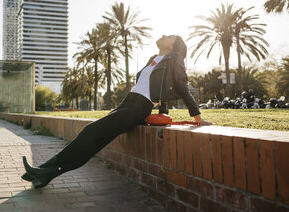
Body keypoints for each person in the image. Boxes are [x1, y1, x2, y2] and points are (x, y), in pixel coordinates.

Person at [22, 35, 212, 189]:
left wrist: (198, 118)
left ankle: (44, 170)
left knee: (90, 133)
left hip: (139, 107)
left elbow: (183, 87)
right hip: (128, 104)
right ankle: (45, 174)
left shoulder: (175, 60)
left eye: (169, 36)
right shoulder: (154, 59)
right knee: (94, 142)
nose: (163, 35)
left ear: (174, 45)